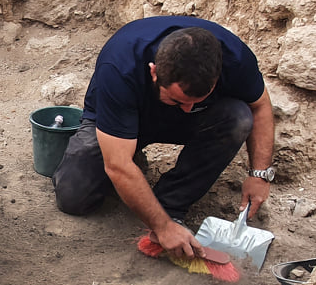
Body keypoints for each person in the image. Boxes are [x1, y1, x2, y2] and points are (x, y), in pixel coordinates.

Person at [53, 16, 276, 260]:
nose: (188, 108)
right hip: (121, 120)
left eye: (195, 102)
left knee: (238, 117)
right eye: (178, 100)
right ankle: (129, 154)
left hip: (186, 124)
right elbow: (117, 166)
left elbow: (260, 106)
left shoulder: (235, 58)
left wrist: (260, 174)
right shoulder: (120, 65)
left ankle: (170, 205)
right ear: (154, 72)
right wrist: (163, 229)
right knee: (73, 198)